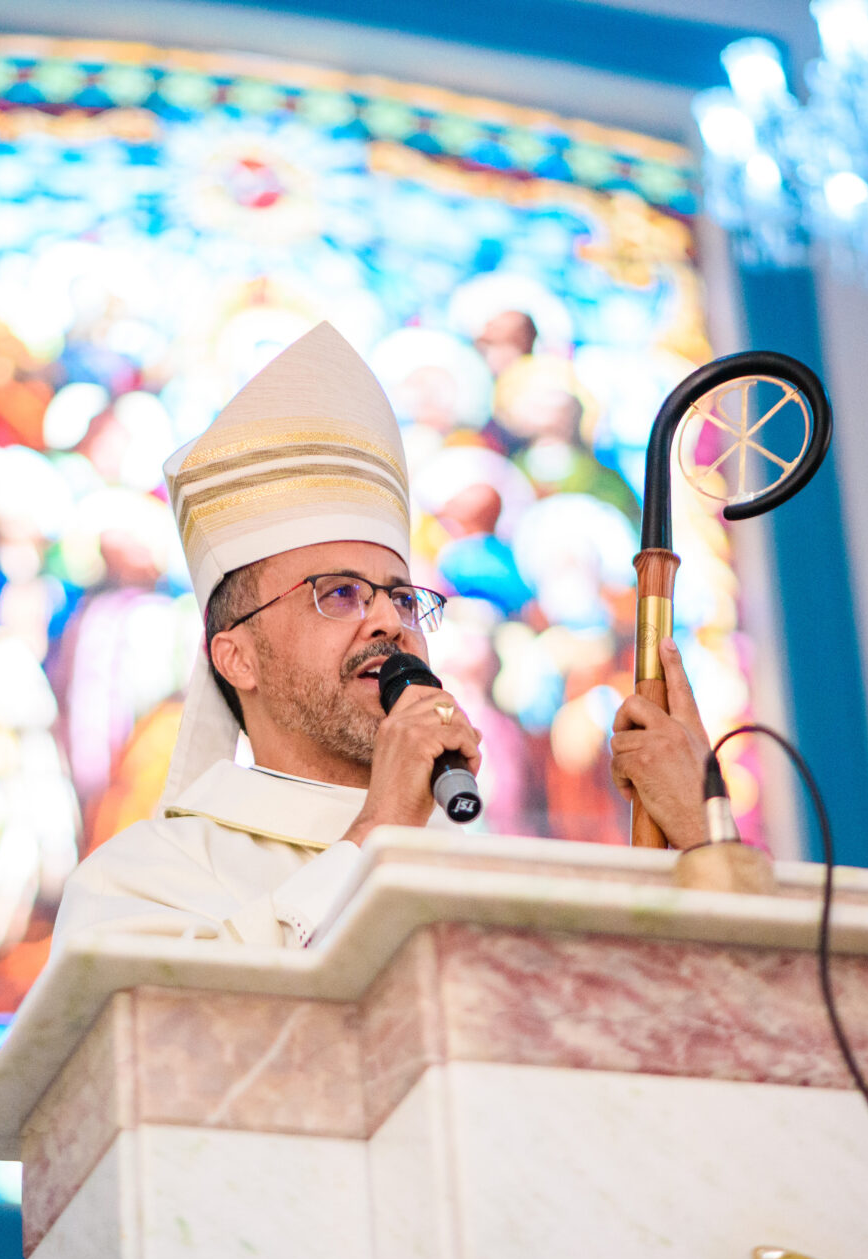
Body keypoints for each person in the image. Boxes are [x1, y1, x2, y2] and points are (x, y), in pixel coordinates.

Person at [51, 323, 710, 949]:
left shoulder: (492, 882)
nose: (390, 622)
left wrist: (701, 833)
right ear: (237, 657)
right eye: (339, 593)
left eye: (402, 597)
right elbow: (202, 1021)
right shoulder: (142, 881)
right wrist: (382, 826)